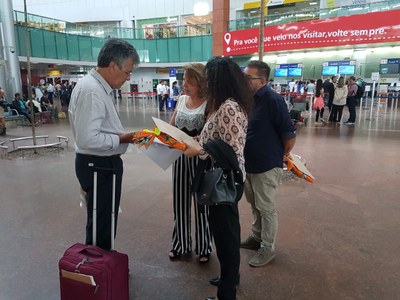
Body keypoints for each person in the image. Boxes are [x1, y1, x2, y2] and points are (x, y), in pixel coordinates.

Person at [183, 56, 252, 300]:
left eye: (210, 79)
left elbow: (231, 151)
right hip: (218, 178)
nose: (207, 83)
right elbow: (214, 140)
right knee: (224, 233)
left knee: (226, 238)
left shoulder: (228, 108)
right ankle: (228, 277)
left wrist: (199, 150)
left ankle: (227, 292)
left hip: (225, 180)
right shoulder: (222, 104)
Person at [68, 38, 140, 251]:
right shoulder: (92, 90)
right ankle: (100, 269)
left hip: (98, 164)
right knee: (102, 223)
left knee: (102, 219)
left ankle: (100, 265)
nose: (128, 78)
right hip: (98, 165)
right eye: (127, 72)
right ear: (112, 66)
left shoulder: (96, 87)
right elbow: (88, 139)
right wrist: (122, 138)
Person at [241, 60, 296, 268]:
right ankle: (256, 237)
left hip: (267, 164)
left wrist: (284, 154)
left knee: (266, 208)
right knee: (255, 204)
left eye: (248, 77)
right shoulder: (249, 99)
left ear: (262, 81)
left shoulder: (273, 100)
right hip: (250, 163)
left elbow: (289, 134)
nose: (244, 80)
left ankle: (267, 247)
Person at [168, 63, 212, 263]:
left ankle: (204, 246)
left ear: (200, 82)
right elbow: (171, 125)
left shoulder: (210, 103)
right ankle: (180, 244)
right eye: (184, 79)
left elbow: (209, 133)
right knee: (179, 202)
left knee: (202, 203)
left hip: (200, 159)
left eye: (189, 81)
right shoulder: (181, 99)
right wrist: (161, 136)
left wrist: (195, 141)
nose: (184, 84)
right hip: (180, 158)